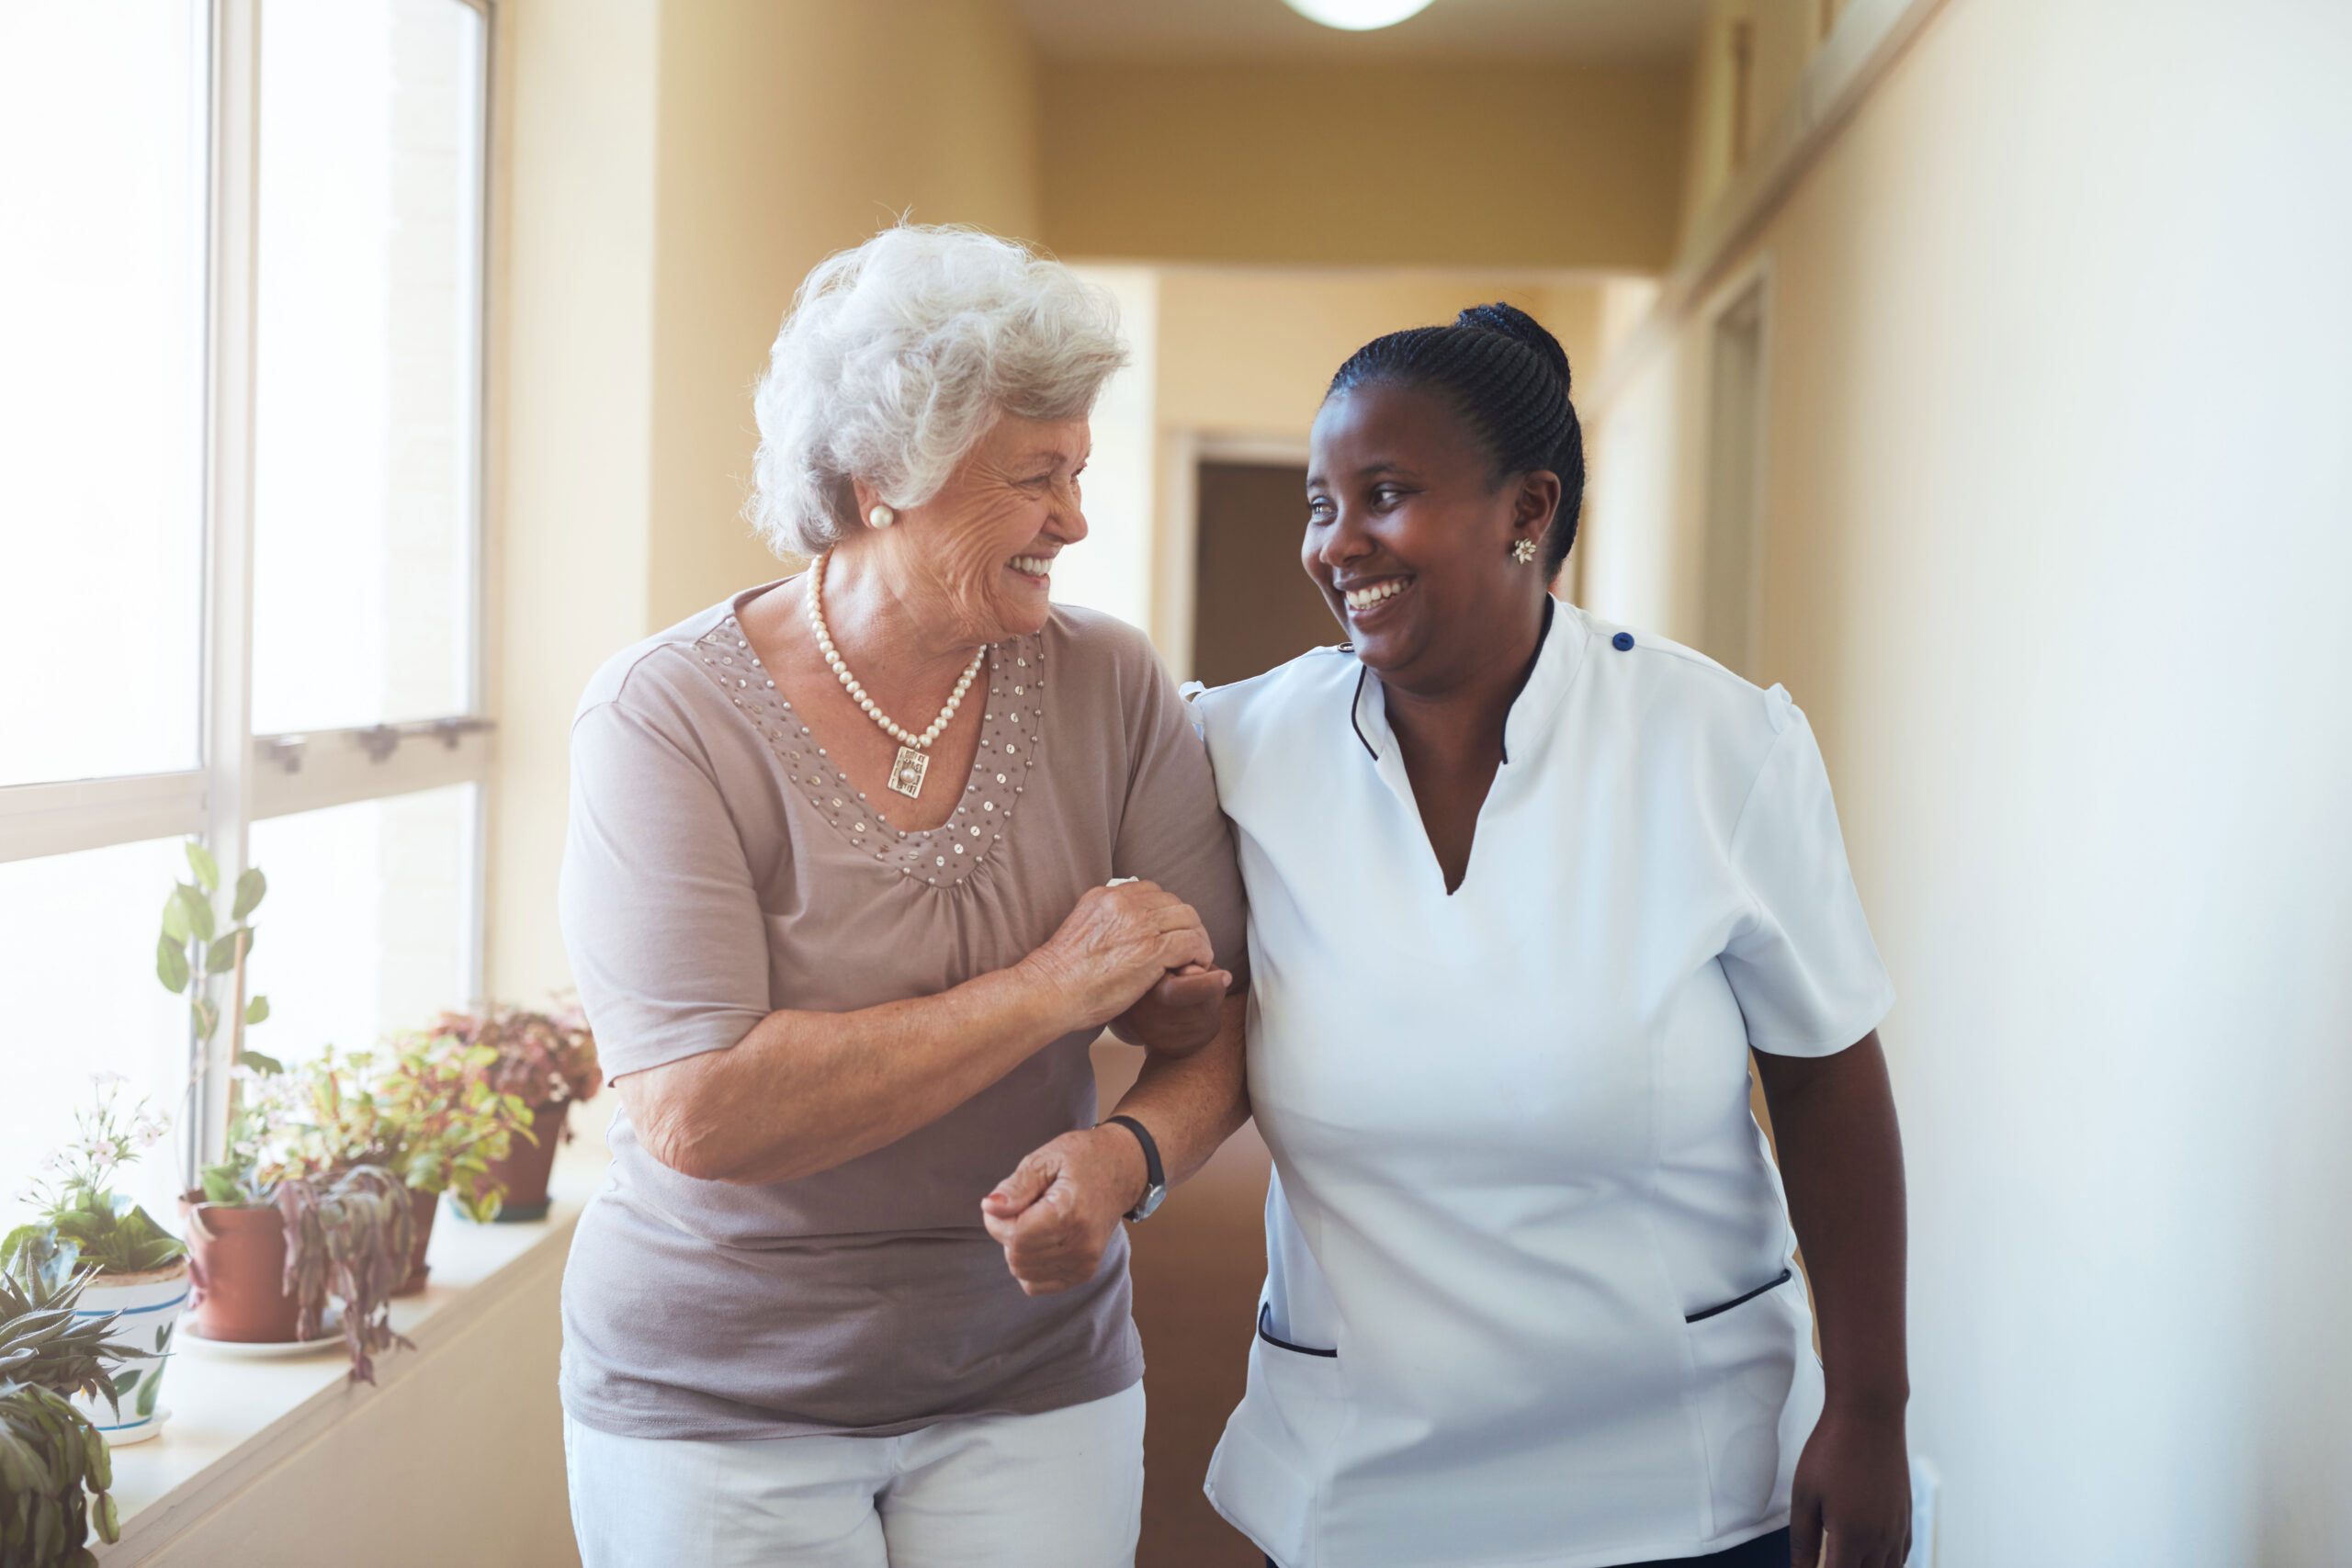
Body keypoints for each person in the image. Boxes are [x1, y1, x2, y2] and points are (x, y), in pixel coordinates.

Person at [996, 303, 1912, 1568]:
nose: (1337, 544)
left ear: (1528, 511)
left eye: (1386, 494)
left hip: (1682, 1476)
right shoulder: (1237, 747)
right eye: (1321, 503)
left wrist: (1870, 1407)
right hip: (1362, 1479)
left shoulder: (1715, 746)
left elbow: (1826, 1080)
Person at [555, 225, 1248, 1568]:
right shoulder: (665, 716)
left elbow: (1214, 1025)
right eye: (1037, 477)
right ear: (882, 480)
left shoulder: (1110, 683)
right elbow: (701, 1109)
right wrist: (1052, 991)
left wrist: (1129, 1153)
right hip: (717, 1400)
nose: (1077, 520)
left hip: (1035, 1371)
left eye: (1081, 471)